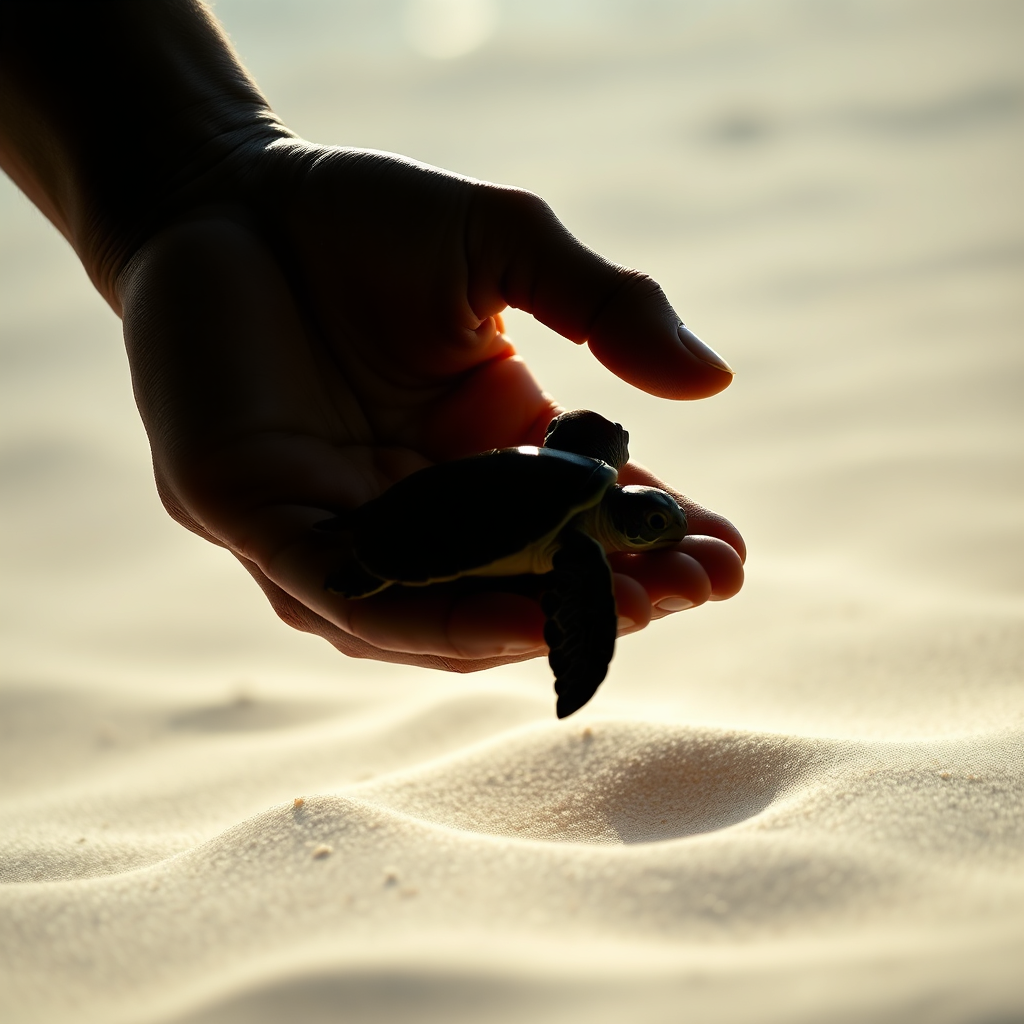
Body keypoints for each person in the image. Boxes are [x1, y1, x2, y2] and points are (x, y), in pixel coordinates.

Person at [0, 1, 744, 675]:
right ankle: (373, 560)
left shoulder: (585, 478)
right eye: (651, 518)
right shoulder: (579, 543)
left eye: (655, 521)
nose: (660, 523)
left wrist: (196, 190)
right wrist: (202, 185)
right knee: (406, 562)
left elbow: (576, 443)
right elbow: (576, 479)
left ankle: (371, 553)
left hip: (458, 490)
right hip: (440, 516)